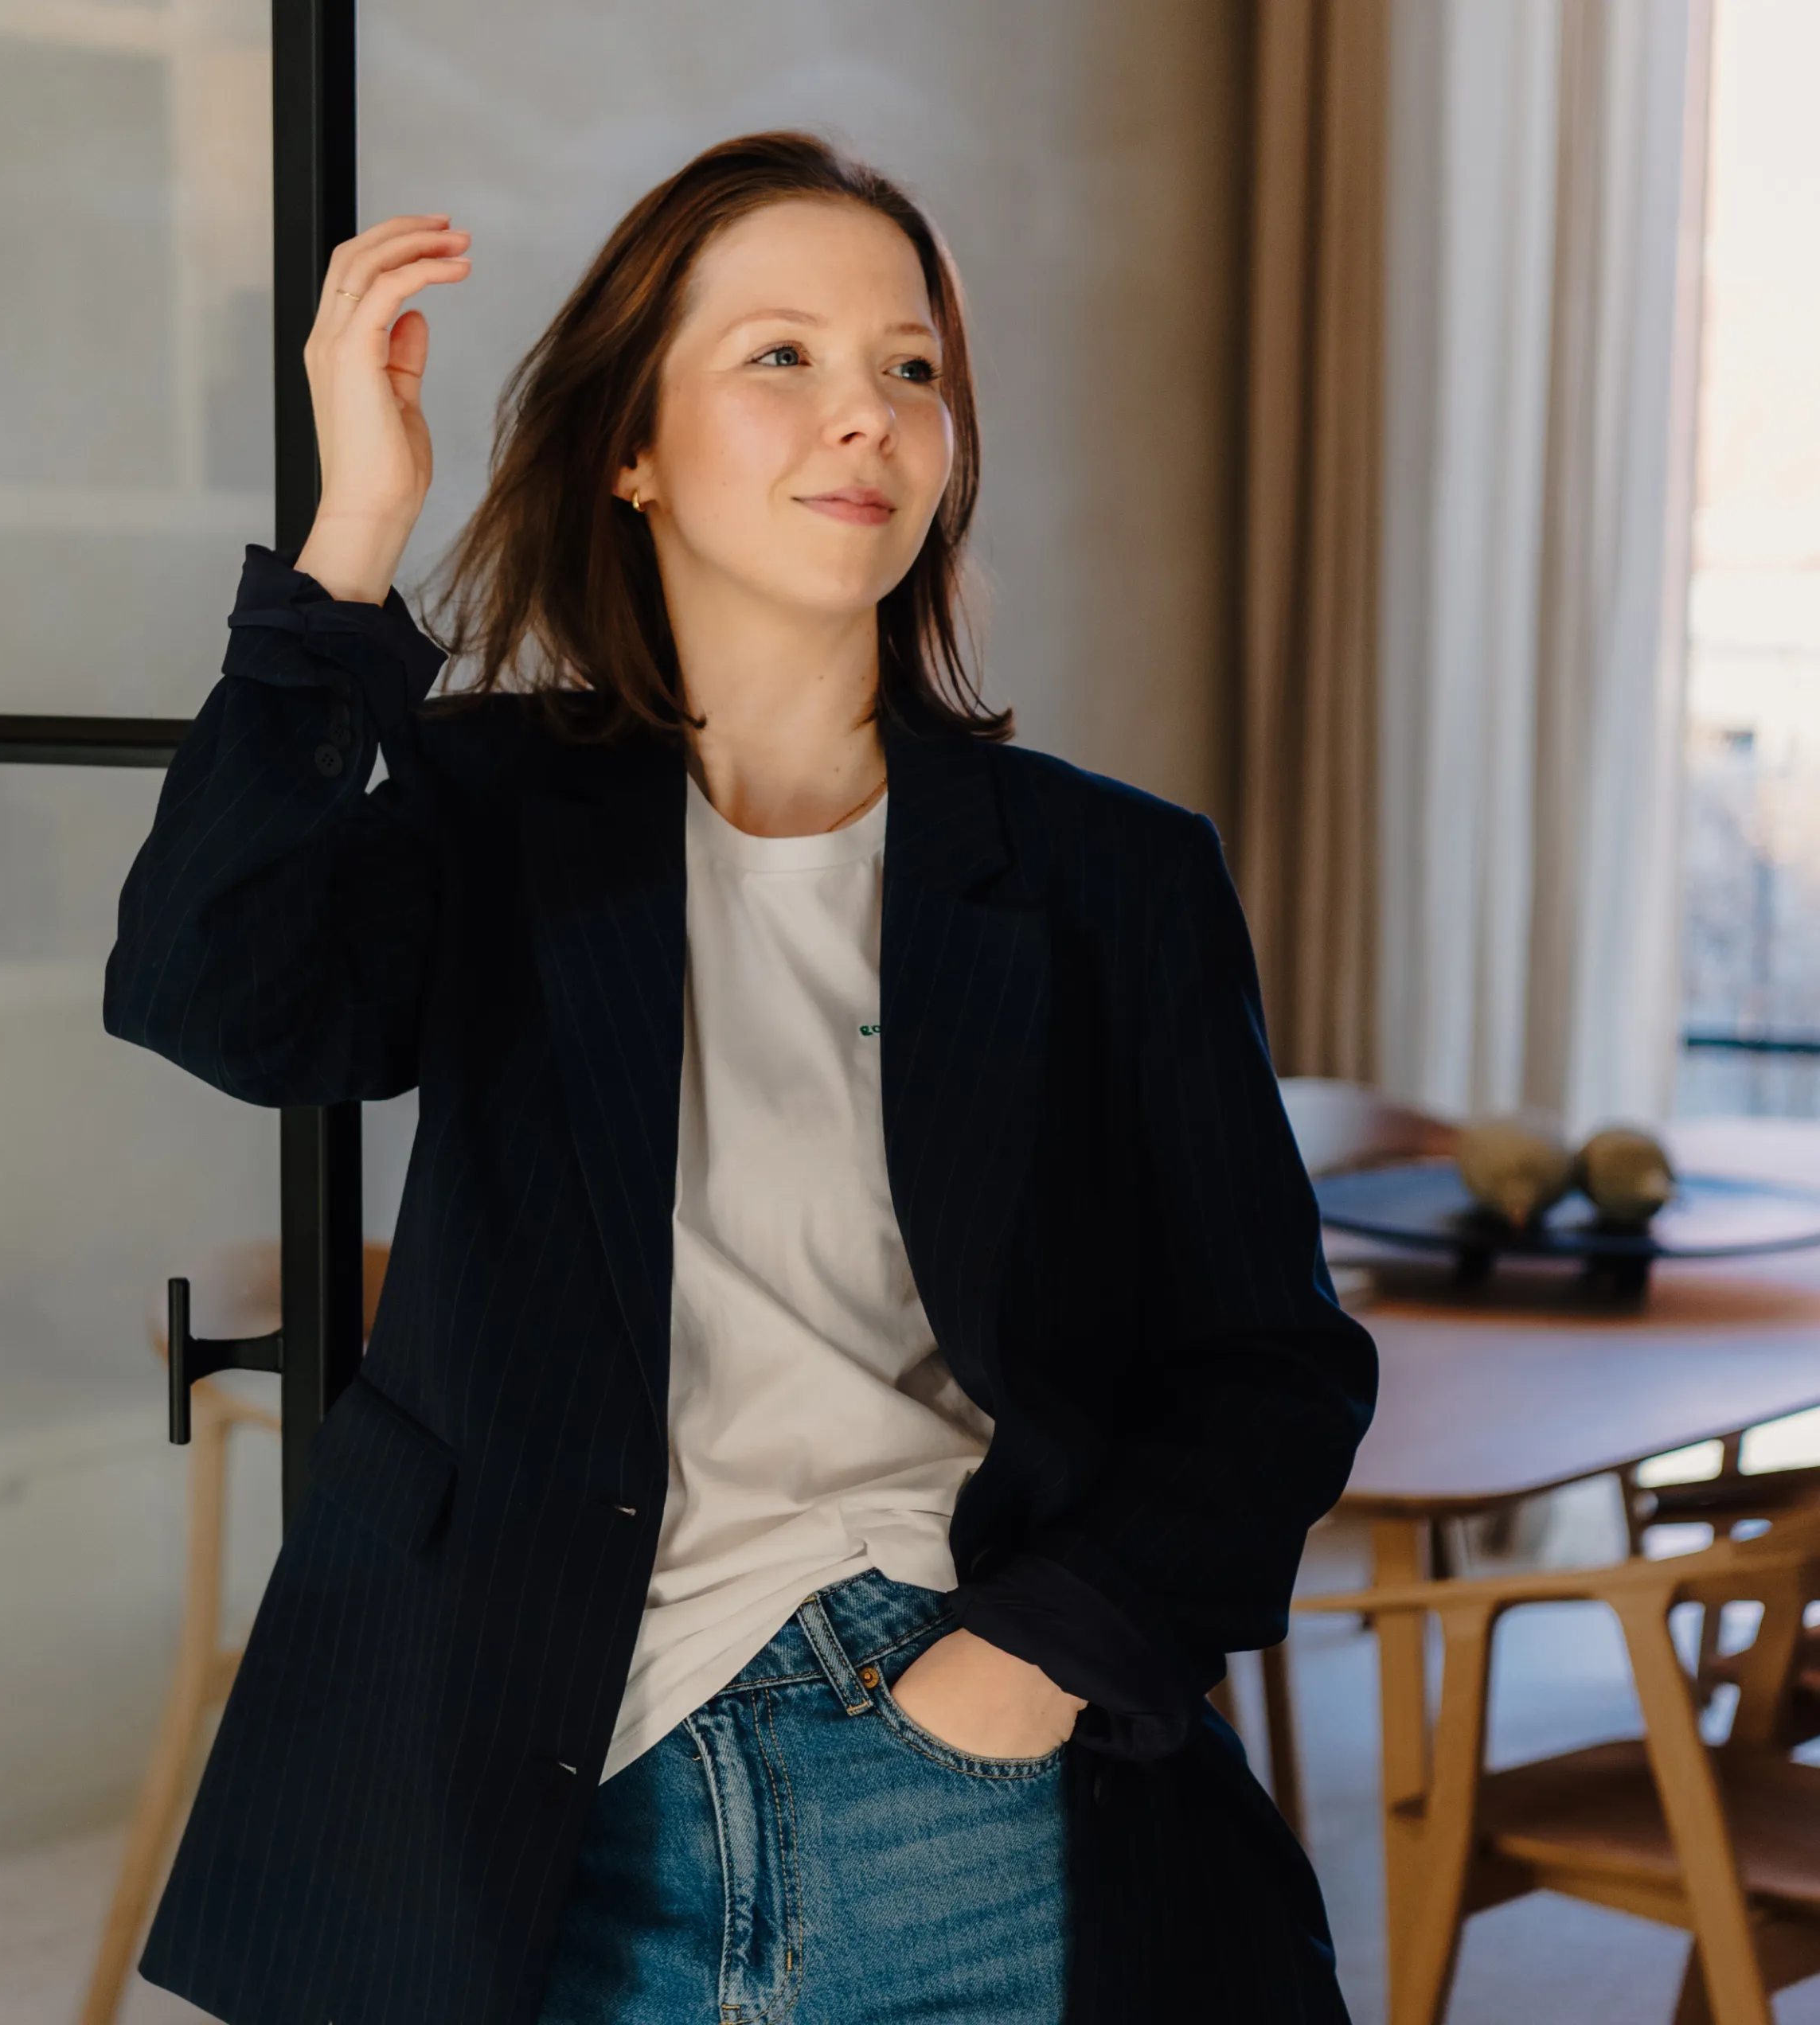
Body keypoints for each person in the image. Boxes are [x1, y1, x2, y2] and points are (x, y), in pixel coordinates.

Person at [105, 130, 1377, 2025]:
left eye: (910, 367)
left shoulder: (1109, 872)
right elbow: (210, 990)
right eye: (782, 355)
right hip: (534, 1780)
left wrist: (1031, 1662)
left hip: (956, 1764)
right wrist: (354, 531)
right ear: (631, 446)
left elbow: (1273, 1361)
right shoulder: (499, 812)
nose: (866, 412)